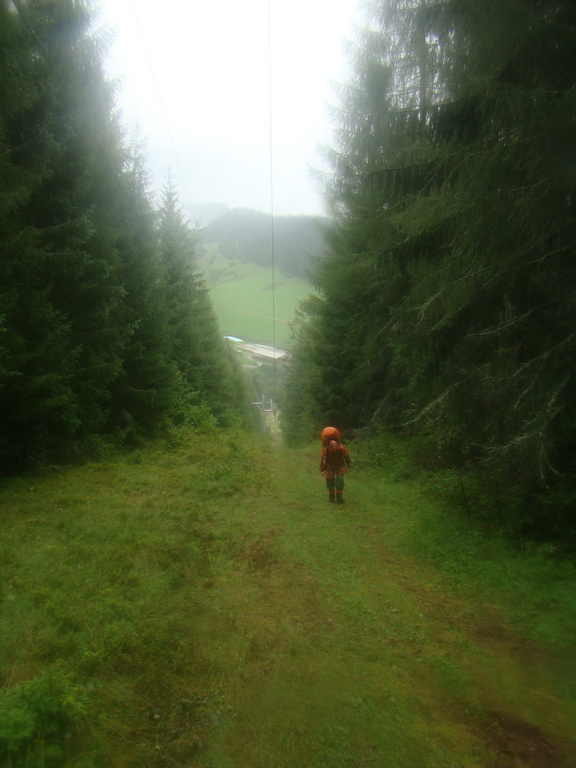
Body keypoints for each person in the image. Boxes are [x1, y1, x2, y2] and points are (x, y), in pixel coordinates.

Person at [319, 426, 351, 504]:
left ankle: (332, 497)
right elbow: (346, 455)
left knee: (330, 479)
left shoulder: (326, 449)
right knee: (339, 479)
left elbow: (323, 459)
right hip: (339, 464)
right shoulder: (341, 447)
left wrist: (322, 468)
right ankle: (338, 497)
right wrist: (348, 463)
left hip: (330, 465)